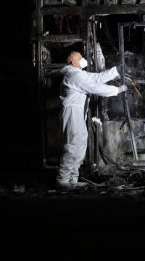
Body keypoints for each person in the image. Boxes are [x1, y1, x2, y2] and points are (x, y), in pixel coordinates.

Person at [56, 51, 128, 189]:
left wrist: (115, 71)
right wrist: (116, 90)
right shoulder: (73, 75)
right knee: (73, 145)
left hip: (77, 112)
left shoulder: (79, 74)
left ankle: (72, 179)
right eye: (80, 58)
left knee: (81, 143)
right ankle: (63, 179)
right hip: (72, 112)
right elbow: (93, 87)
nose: (83, 60)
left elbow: (97, 78)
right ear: (73, 62)